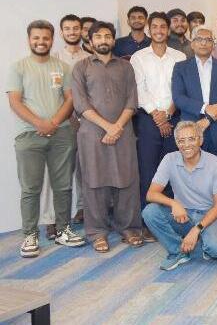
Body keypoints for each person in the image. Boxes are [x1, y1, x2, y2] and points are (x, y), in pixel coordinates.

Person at [8, 20, 86, 257]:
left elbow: (70, 98)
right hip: (28, 135)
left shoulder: (63, 67)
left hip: (61, 134)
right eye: (36, 38)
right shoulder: (18, 67)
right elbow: (15, 101)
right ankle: (30, 235)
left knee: (63, 186)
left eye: (45, 38)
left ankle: (63, 230)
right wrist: (39, 123)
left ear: (52, 40)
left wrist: (53, 123)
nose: (41, 42)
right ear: (29, 39)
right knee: (30, 188)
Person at [72, 21, 143, 252]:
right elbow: (80, 104)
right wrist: (107, 127)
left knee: (127, 180)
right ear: (90, 41)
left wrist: (117, 126)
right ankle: (97, 232)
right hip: (92, 134)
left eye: (107, 36)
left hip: (123, 131)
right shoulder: (81, 67)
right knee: (94, 182)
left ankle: (129, 228)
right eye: (98, 37)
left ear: (113, 40)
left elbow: (132, 100)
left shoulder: (126, 67)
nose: (103, 40)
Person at [142, 120, 217, 270]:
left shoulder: (216, 163)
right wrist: (174, 203)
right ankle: (178, 251)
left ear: (200, 140)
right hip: (183, 215)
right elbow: (151, 194)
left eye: (191, 139)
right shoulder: (169, 159)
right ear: (177, 143)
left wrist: (196, 229)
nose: (186, 145)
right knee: (149, 212)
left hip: (210, 215)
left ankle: (202, 239)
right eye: (181, 140)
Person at [130, 12, 186, 241]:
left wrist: (169, 113)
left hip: (174, 117)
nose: (159, 30)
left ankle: (171, 219)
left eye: (163, 26)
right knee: (149, 171)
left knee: (173, 169)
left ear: (168, 29)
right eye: (155, 26)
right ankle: (147, 222)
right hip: (147, 119)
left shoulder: (180, 56)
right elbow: (139, 89)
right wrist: (157, 115)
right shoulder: (138, 57)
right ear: (149, 29)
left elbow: (181, 88)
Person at [171, 25, 217, 157]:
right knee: (192, 168)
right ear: (192, 44)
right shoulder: (181, 67)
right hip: (191, 129)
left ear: (213, 44)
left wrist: (208, 119)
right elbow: (178, 98)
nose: (203, 43)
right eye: (199, 39)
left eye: (208, 39)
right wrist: (205, 108)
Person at [53, 14, 91, 227]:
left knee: (84, 167)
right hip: (62, 122)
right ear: (62, 32)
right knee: (61, 170)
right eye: (67, 29)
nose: (72, 32)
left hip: (85, 121)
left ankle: (83, 208)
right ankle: (56, 217)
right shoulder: (55, 58)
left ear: (81, 31)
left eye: (76, 28)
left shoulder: (89, 58)